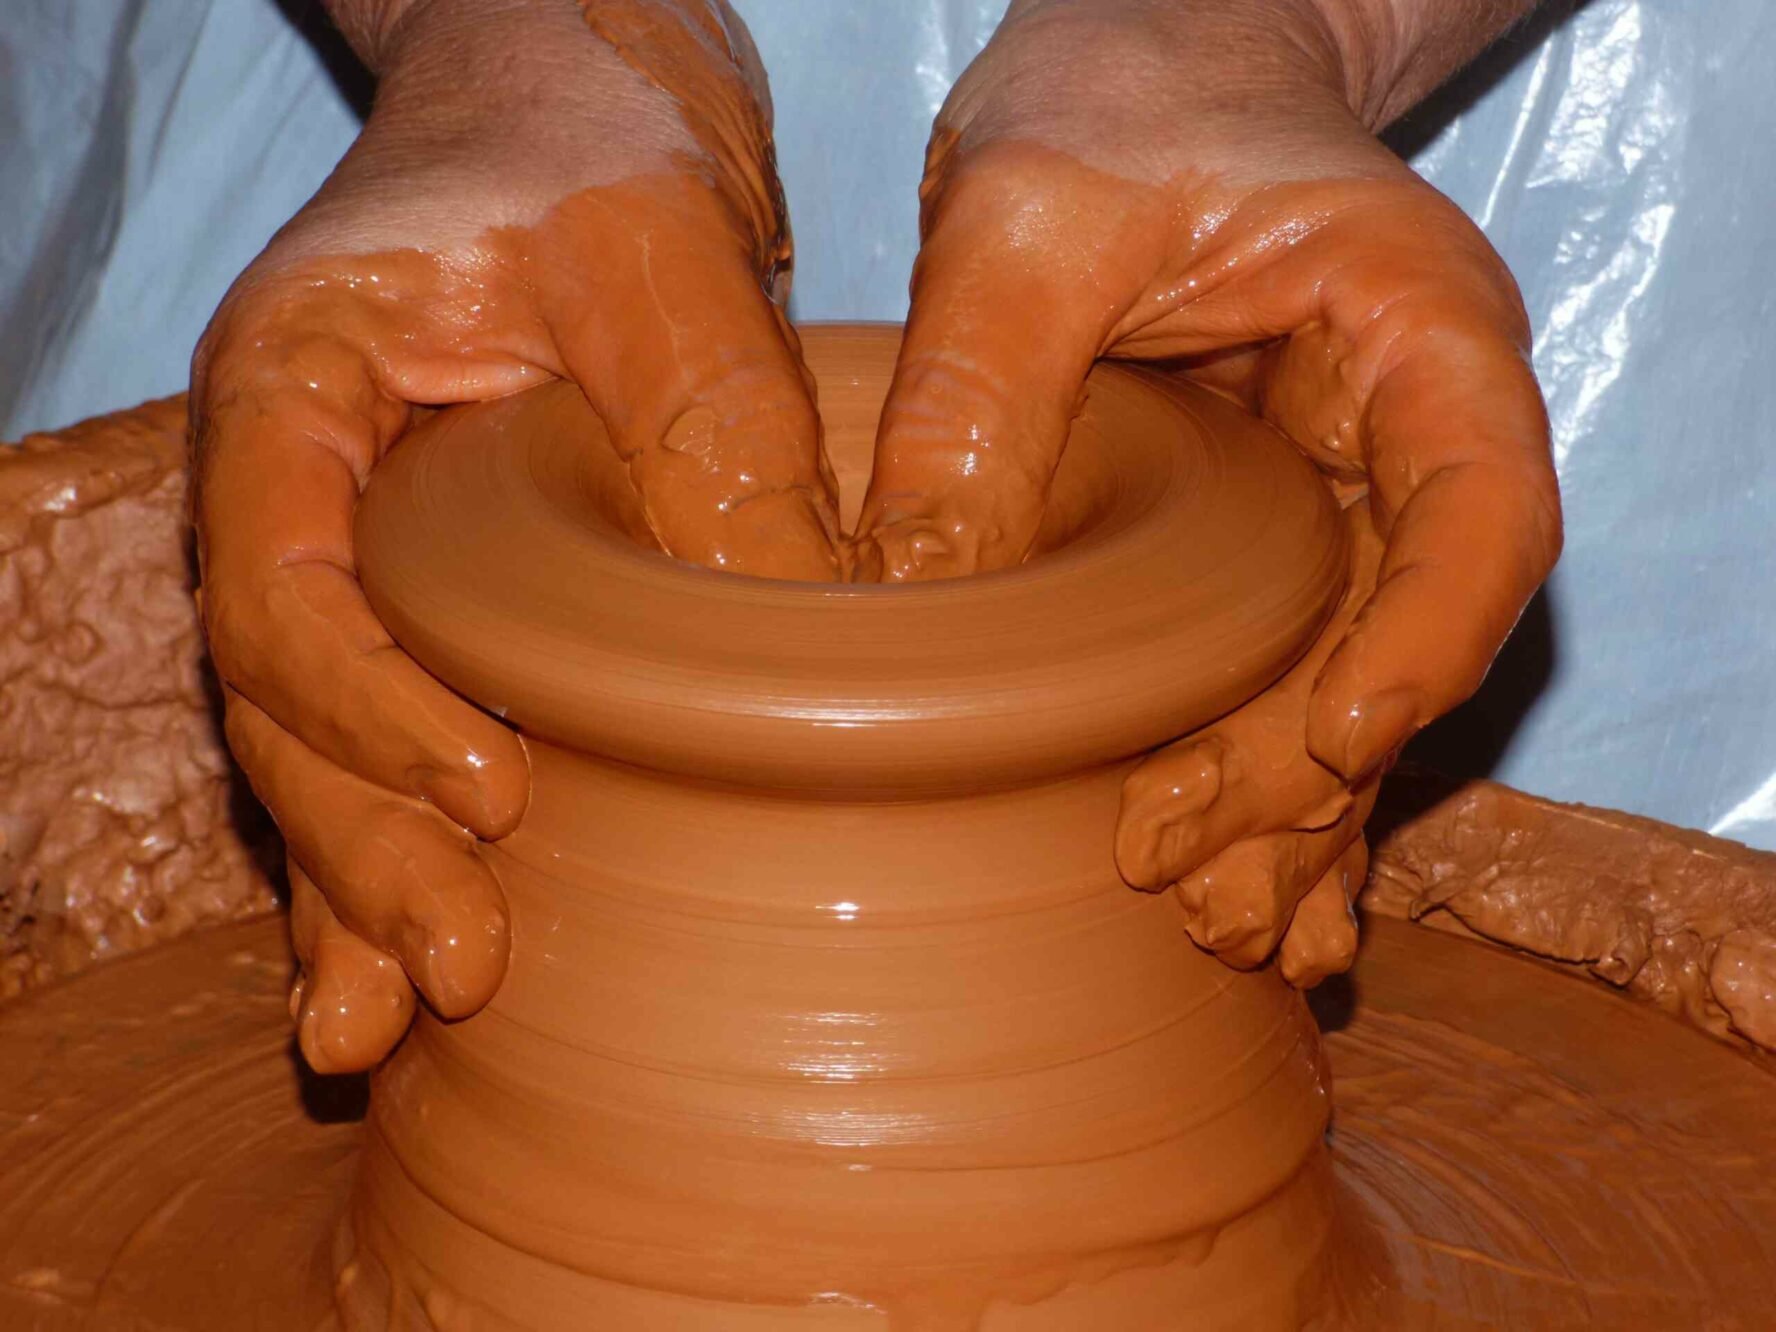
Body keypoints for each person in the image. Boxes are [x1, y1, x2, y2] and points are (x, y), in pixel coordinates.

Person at [182, 0, 1566, 1070]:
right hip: (415, 166)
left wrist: (1261, 29)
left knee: (1331, 642)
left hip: (1394, 152)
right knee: (381, 622)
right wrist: (503, 50)